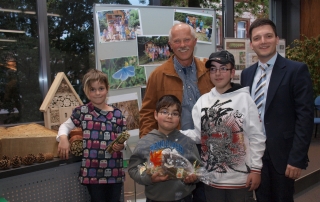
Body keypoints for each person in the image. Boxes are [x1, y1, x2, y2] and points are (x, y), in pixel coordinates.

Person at [240, 18, 314, 202]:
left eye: (268, 36)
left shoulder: (296, 70)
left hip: (283, 155)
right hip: (255, 155)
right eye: (257, 38)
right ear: (251, 44)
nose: (263, 41)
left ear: (277, 39)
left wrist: (297, 158)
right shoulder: (247, 74)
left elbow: (305, 118)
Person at [139, 22, 214, 202]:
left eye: (186, 40)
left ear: (195, 41)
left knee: (206, 198)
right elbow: (148, 113)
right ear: (170, 45)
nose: (182, 45)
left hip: (206, 150)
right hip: (173, 152)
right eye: (177, 41)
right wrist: (152, 153)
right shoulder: (158, 75)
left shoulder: (209, 72)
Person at [181, 50, 266, 202]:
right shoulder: (202, 101)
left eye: (223, 68)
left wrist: (256, 169)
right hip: (211, 180)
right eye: (213, 69)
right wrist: (174, 134)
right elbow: (199, 136)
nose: (217, 73)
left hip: (240, 180)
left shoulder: (245, 100)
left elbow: (257, 137)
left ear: (232, 72)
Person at [56, 69, 126, 202]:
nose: (97, 93)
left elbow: (124, 136)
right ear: (86, 90)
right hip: (92, 174)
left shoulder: (117, 114)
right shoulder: (82, 112)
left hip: (114, 172)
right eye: (93, 89)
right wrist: (63, 138)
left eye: (101, 88)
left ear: (107, 88)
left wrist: (122, 145)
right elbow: (65, 126)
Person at [129, 95, 201, 202]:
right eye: (164, 112)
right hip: (155, 198)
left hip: (183, 198)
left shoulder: (188, 142)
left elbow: (198, 168)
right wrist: (149, 178)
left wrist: (194, 178)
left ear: (179, 118)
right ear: (155, 115)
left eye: (175, 113)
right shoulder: (144, 142)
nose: (169, 116)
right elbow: (133, 169)